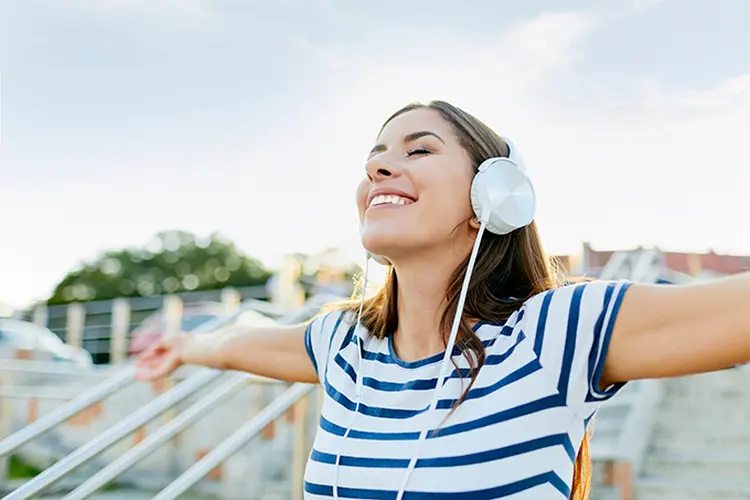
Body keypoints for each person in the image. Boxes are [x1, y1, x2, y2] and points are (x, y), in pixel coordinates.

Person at [135, 100, 750, 500]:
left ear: (495, 196)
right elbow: (244, 343)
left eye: (417, 150)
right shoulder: (345, 346)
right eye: (374, 157)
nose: (379, 169)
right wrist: (185, 346)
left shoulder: (554, 334)